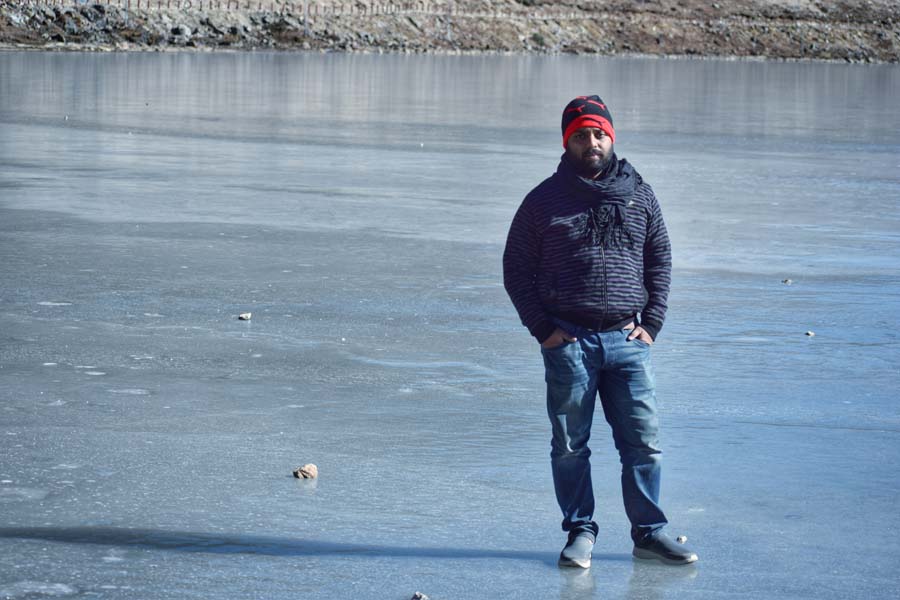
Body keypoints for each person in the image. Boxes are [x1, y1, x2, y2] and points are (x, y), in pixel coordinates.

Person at [502, 95, 697, 568]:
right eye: (581, 135)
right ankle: (580, 532)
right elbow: (516, 267)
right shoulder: (542, 201)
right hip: (569, 341)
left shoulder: (640, 195)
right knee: (570, 446)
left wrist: (651, 324)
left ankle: (649, 533)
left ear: (612, 137)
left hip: (627, 342)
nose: (592, 142)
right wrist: (543, 329)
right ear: (567, 141)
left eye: (599, 133)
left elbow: (661, 260)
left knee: (643, 442)